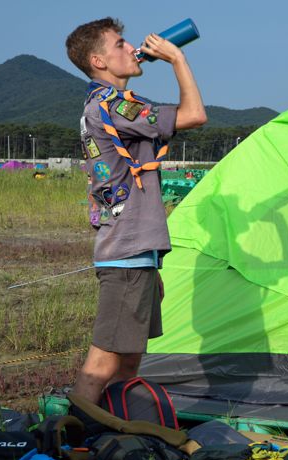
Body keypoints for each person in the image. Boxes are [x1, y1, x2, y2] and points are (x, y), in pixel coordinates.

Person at [65, 18, 207, 404]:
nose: (132, 49)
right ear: (99, 60)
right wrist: (176, 57)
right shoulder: (113, 104)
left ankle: (112, 438)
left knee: (128, 364)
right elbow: (194, 114)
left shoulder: (106, 105)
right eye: (121, 44)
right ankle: (68, 446)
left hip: (135, 254)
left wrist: (151, 263)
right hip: (126, 255)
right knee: (101, 363)